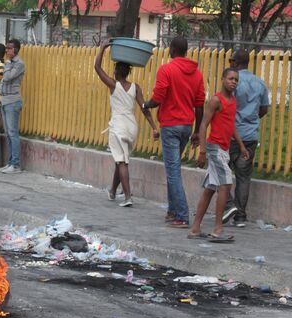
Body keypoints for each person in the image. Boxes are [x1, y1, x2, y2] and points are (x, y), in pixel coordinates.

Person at [144, 36, 205, 227]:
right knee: (173, 168)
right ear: (186, 50)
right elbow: (199, 104)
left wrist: (147, 104)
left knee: (173, 172)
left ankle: (182, 215)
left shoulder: (167, 69)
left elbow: (159, 97)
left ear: (172, 49)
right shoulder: (197, 73)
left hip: (170, 126)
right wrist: (196, 131)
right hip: (187, 126)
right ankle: (172, 211)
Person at [95, 42, 159, 207]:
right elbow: (144, 108)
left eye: (115, 69)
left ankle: (128, 196)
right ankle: (112, 191)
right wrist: (153, 127)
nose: (113, 72)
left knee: (122, 162)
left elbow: (97, 67)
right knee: (121, 159)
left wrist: (103, 48)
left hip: (118, 126)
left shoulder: (113, 85)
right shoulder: (135, 87)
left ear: (117, 72)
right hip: (131, 126)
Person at [188, 68, 249, 243]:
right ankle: (217, 229)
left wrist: (242, 146)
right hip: (214, 149)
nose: (234, 82)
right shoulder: (216, 100)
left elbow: (232, 126)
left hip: (224, 149)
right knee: (226, 184)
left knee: (210, 189)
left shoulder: (233, 100)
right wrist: (202, 150)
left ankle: (195, 229)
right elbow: (203, 124)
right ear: (222, 79)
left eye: (236, 79)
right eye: (230, 78)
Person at [222, 50, 270, 227]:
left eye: (230, 60)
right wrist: (251, 118)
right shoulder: (260, 83)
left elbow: (225, 105)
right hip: (250, 136)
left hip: (231, 135)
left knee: (222, 171)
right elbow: (264, 109)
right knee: (243, 176)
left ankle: (228, 205)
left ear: (235, 62)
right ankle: (240, 216)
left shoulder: (232, 82)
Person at [0, 39, 26, 174]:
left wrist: (8, 64)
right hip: (5, 100)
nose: (7, 51)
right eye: (6, 48)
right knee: (8, 133)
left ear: (16, 49)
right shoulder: (8, 63)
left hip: (13, 101)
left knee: (13, 133)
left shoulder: (19, 64)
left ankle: (15, 165)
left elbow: (8, 77)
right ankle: (10, 162)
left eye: (9, 48)